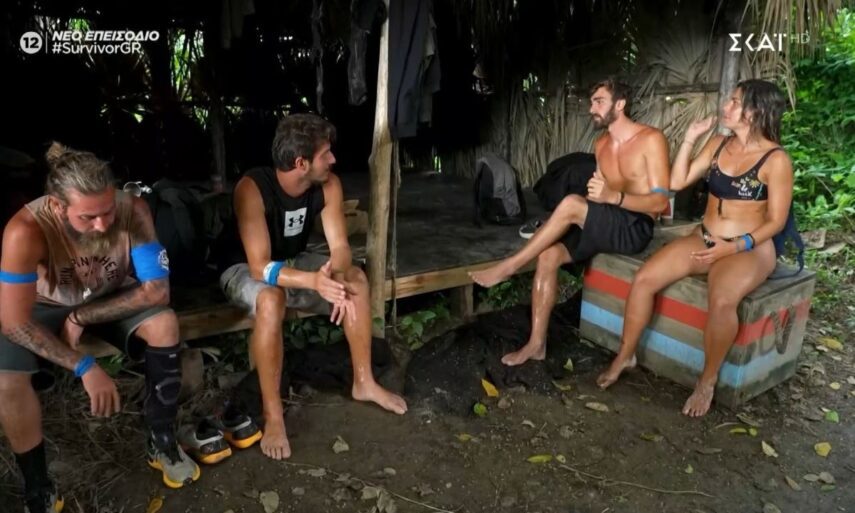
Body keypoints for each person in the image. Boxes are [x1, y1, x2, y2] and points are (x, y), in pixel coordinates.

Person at [0, 143, 200, 513]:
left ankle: (161, 440)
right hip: (46, 304)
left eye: (107, 211)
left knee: (165, 324)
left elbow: (157, 291)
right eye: (88, 217)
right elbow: (13, 321)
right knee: (5, 379)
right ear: (57, 206)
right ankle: (38, 487)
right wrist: (83, 365)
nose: (103, 224)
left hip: (109, 295)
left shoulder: (133, 210)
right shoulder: (24, 230)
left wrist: (81, 318)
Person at [596, 79, 793, 417]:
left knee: (722, 300)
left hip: (749, 248)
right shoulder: (718, 144)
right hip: (705, 237)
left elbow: (776, 221)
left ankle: (707, 380)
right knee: (644, 279)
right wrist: (689, 138)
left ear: (755, 111)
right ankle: (625, 356)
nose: (726, 106)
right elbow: (676, 182)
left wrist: (733, 247)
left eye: (734, 102)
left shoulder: (776, 160)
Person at [219, 113, 407, 461]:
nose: (333, 159)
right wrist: (314, 282)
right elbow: (260, 267)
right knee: (271, 300)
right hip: (243, 268)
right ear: (301, 163)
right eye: (325, 154)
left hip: (295, 261)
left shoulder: (328, 185)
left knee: (356, 279)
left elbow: (341, 248)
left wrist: (337, 276)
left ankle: (364, 382)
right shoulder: (252, 188)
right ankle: (274, 416)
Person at [470, 77, 670, 366]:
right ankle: (536, 345)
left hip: (634, 227)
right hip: (607, 219)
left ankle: (509, 266)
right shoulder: (601, 144)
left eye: (599, 101)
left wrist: (613, 197)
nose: (592, 108)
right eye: (592, 102)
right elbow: (599, 194)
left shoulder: (651, 139)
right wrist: (580, 208)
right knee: (548, 255)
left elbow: (660, 203)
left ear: (620, 104)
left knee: (572, 204)